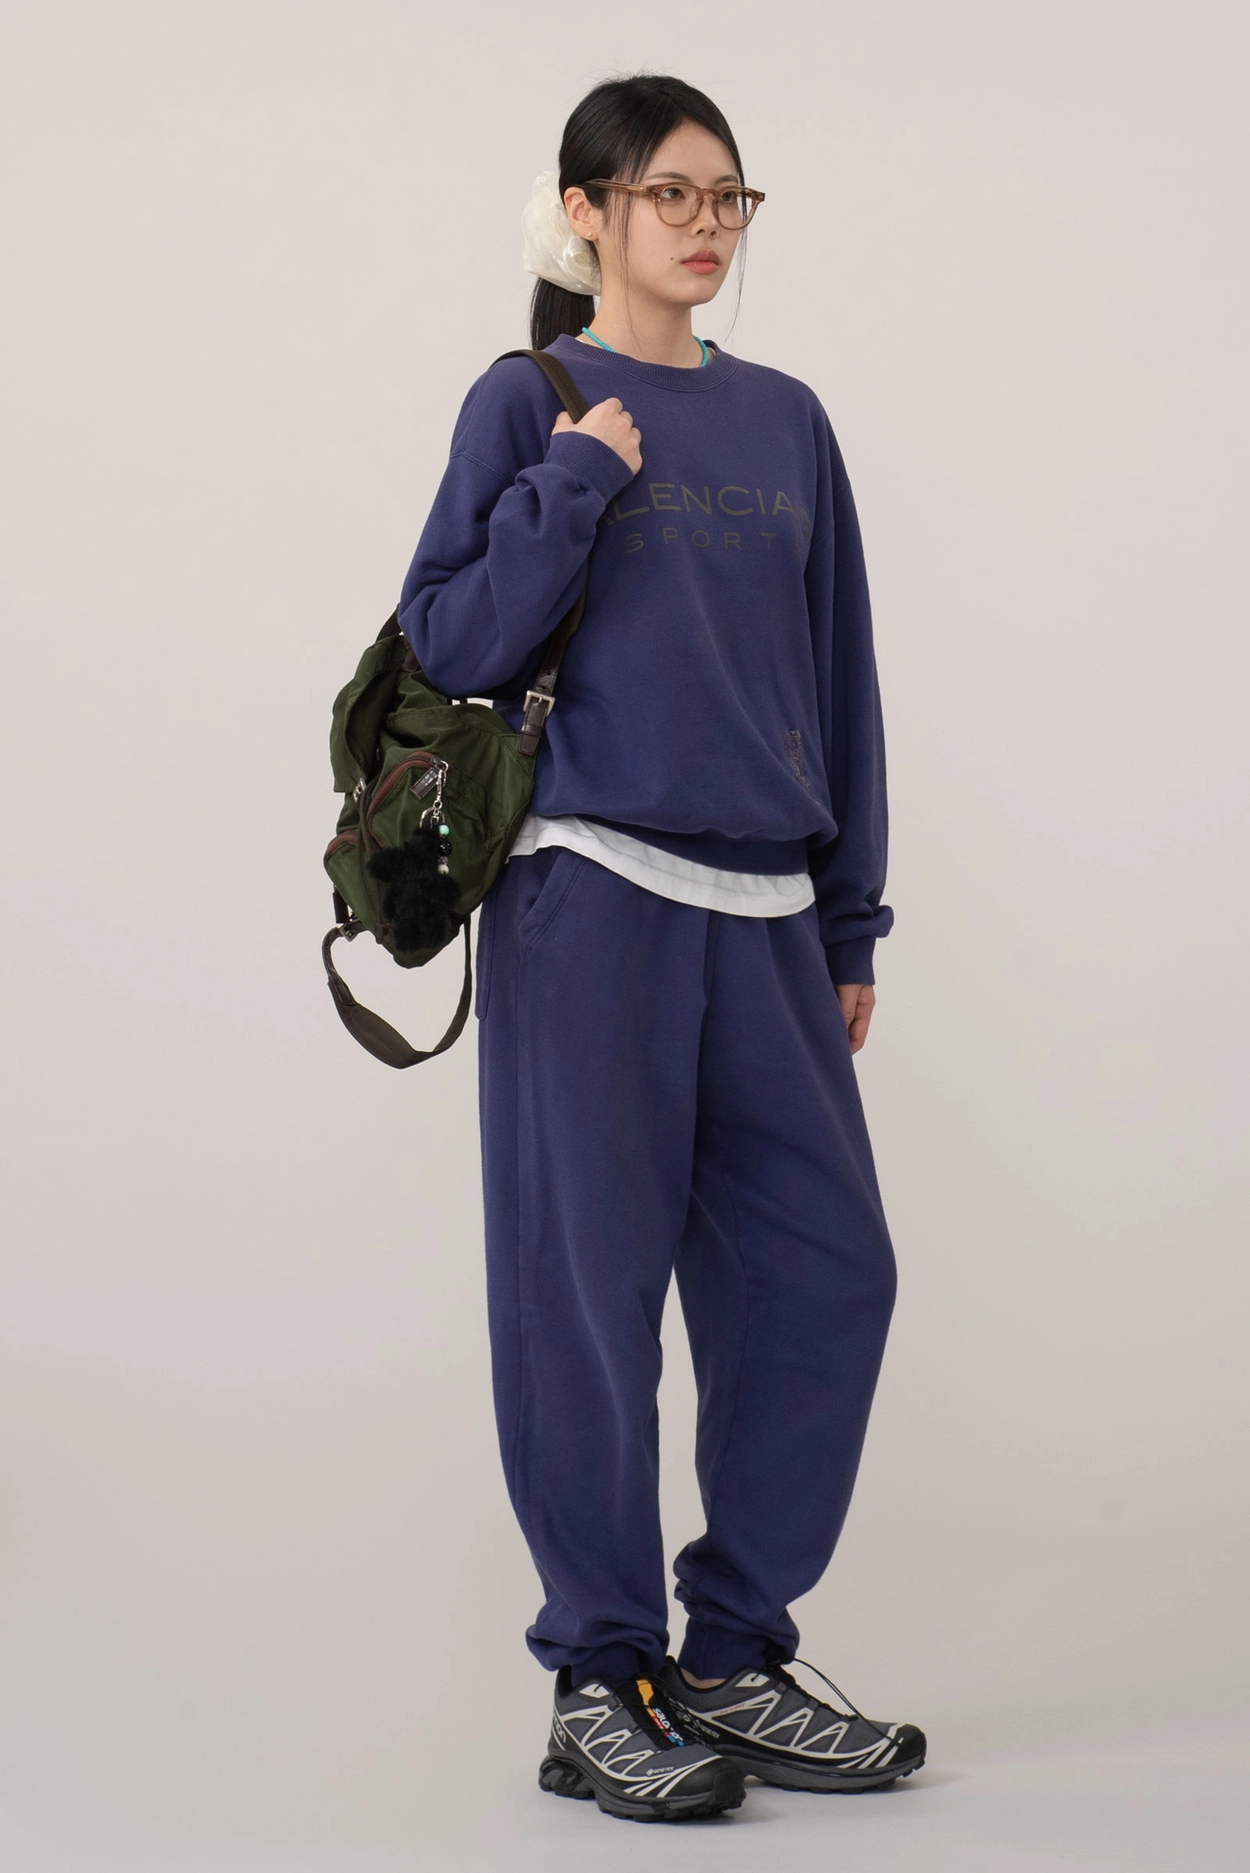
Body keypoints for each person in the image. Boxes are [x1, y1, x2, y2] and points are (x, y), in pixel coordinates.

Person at [398, 71, 926, 1825]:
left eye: (727, 199)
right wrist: (569, 483)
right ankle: (597, 1678)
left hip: (769, 918)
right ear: (588, 211)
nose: (706, 226)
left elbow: (837, 679)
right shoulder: (530, 398)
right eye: (670, 195)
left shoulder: (785, 420)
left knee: (827, 1274)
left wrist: (849, 913)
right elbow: (450, 642)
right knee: (588, 1298)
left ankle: (732, 1659)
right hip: (589, 903)